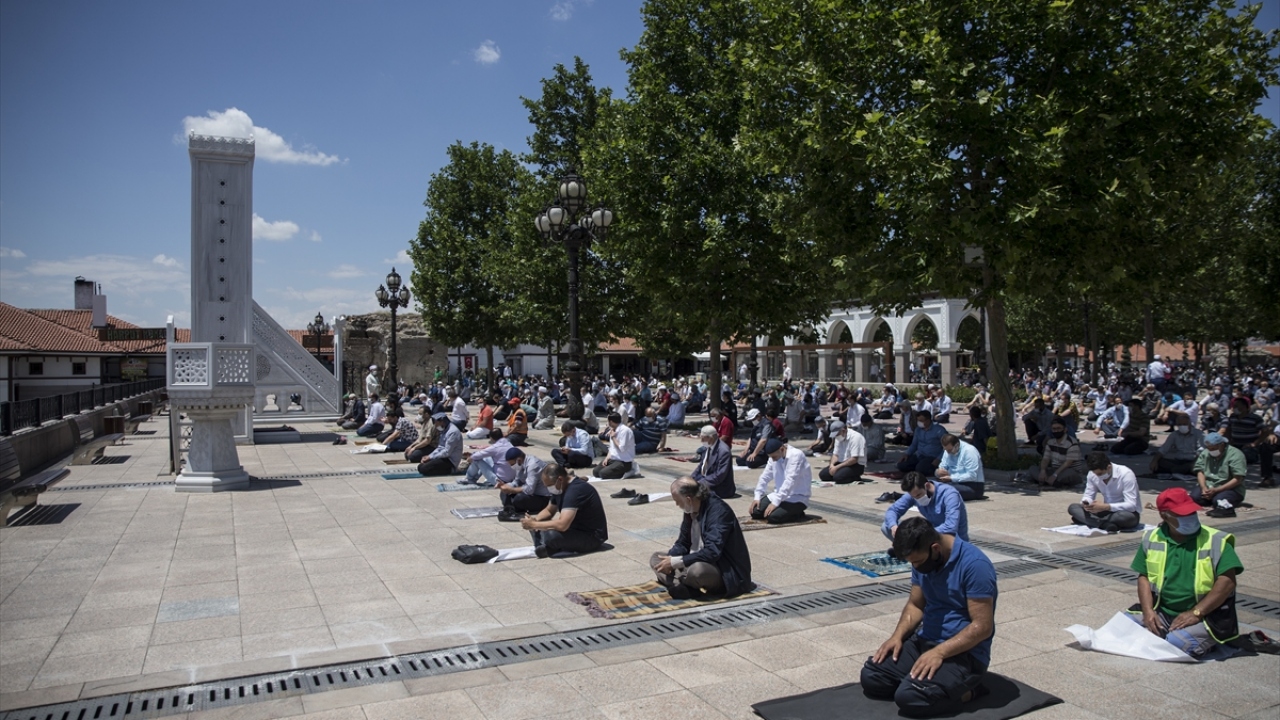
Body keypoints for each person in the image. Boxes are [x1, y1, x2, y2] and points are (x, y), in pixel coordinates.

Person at [861, 517, 997, 717]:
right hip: (925, 640)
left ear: (935, 548)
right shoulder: (925, 561)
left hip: (964, 654)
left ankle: (968, 691)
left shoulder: (975, 565)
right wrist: (897, 637)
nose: (914, 567)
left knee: (911, 698)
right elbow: (916, 605)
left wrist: (940, 653)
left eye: (916, 561)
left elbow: (983, 626)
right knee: (872, 676)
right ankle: (923, 682)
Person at [1127, 487, 1243, 657]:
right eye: (1182, 514)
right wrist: (1148, 611)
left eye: (1192, 512)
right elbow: (1143, 577)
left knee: (1175, 645)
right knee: (1122, 627)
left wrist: (1197, 613)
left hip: (1208, 615)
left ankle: (1207, 640)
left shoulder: (1216, 540)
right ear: (1164, 516)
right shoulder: (1151, 538)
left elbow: (1227, 582)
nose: (1190, 517)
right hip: (1163, 610)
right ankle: (1166, 631)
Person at [651, 477, 754, 600]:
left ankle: (681, 583)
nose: (677, 505)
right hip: (692, 559)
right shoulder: (690, 510)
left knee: (697, 571)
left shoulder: (719, 512)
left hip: (722, 569)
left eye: (677, 501)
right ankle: (687, 586)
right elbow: (683, 543)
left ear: (688, 499)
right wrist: (670, 559)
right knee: (656, 559)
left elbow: (712, 552)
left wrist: (676, 562)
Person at [521, 463, 608, 558]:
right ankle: (549, 547)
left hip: (592, 537)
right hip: (574, 530)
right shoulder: (560, 488)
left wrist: (535, 525)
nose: (548, 488)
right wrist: (535, 520)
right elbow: (549, 510)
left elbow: (562, 525)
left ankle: (549, 546)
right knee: (539, 527)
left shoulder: (575, 491)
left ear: (560, 479)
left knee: (550, 535)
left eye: (549, 485)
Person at [883, 472, 969, 544]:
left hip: (951, 539)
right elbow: (893, 510)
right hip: (930, 535)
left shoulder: (949, 495)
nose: (917, 499)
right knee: (886, 527)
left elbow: (951, 526)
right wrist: (893, 526)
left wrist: (922, 534)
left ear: (927, 486)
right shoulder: (914, 493)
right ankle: (912, 553)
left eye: (919, 495)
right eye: (914, 497)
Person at [1067, 452, 1141, 531]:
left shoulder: (1126, 474)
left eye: (1100, 473)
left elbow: (1131, 505)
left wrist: (1106, 506)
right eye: (1095, 474)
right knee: (1073, 508)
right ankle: (1104, 524)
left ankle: (1091, 521)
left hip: (1124, 512)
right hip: (1104, 512)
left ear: (1109, 467)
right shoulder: (1092, 474)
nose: (1097, 476)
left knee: (1123, 517)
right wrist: (1087, 503)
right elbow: (1088, 495)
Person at [750, 438, 812, 524]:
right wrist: (757, 497)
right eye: (771, 457)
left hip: (797, 497)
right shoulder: (773, 458)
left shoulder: (796, 455)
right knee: (755, 512)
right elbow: (765, 477)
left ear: (782, 449)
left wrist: (775, 503)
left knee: (773, 517)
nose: (773, 460)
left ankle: (798, 513)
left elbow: (790, 481)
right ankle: (783, 509)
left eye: (774, 457)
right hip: (779, 494)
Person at [1222, 397, 1275, 488]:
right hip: (1235, 444)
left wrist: (1255, 443)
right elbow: (1228, 430)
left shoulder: (1255, 418)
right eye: (1234, 406)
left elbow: (1265, 431)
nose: (1235, 408)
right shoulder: (1233, 417)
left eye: (1238, 406)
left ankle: (1237, 478)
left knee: (1242, 457)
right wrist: (1228, 441)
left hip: (1249, 446)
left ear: (1246, 407)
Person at [1192, 432, 1247, 518]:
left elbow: (1238, 478)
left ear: (1221, 445)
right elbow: (1200, 471)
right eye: (1209, 448)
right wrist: (1204, 488)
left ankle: (1227, 509)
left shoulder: (1235, 455)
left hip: (1230, 488)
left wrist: (1217, 490)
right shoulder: (1206, 453)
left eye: (1213, 448)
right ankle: (1211, 499)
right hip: (1210, 485)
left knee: (1219, 499)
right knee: (1195, 497)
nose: (1211, 451)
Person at [1026, 418, 1084, 488]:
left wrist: (1055, 475)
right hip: (1055, 469)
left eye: (1059, 428)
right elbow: (1045, 459)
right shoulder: (1050, 442)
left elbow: (1068, 463)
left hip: (1070, 471)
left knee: (1066, 475)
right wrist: (1043, 471)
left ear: (1065, 430)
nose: (1056, 431)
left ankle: (1047, 481)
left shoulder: (1072, 443)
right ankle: (1049, 480)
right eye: (1054, 429)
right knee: (1033, 469)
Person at [496, 448, 550, 521]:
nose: (511, 466)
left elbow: (529, 489)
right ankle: (510, 510)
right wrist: (506, 486)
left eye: (512, 464)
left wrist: (512, 490)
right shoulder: (520, 465)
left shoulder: (533, 465)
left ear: (519, 460)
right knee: (504, 492)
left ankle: (514, 507)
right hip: (532, 494)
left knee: (519, 498)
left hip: (543, 497)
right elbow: (516, 482)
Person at [1148, 415, 1203, 479]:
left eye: (1185, 424)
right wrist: (1154, 461)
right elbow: (1163, 449)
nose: (1182, 426)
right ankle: (1179, 471)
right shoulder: (1174, 435)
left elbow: (1201, 451)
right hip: (1178, 461)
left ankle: (1177, 471)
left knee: (1195, 467)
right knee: (1160, 462)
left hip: (1192, 461)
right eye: (1180, 424)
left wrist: (1195, 462)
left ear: (1189, 424)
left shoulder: (1199, 434)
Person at [935, 433, 985, 501]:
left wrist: (951, 478)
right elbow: (942, 466)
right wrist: (938, 472)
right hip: (953, 482)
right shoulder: (947, 450)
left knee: (945, 489)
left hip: (973, 486)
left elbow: (972, 476)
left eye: (949, 450)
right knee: (931, 485)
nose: (948, 452)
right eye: (945, 450)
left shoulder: (969, 451)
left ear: (957, 445)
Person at [691, 425, 736, 499]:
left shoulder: (723, 451)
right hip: (706, 477)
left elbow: (720, 475)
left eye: (703, 438)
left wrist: (700, 483)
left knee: (695, 494)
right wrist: (691, 478)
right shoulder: (707, 447)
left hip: (720, 486)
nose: (701, 441)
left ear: (711, 438)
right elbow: (701, 466)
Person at [898, 411, 946, 477]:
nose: (919, 422)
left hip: (932, 457)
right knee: (901, 465)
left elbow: (946, 447)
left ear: (928, 420)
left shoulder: (939, 430)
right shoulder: (918, 430)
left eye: (921, 420)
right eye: (918, 420)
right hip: (919, 455)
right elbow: (914, 444)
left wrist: (939, 459)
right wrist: (907, 454)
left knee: (921, 469)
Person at [820, 420, 867, 484]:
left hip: (855, 465)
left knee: (839, 478)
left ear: (843, 430)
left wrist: (837, 468)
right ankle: (842, 474)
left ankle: (855, 477)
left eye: (837, 434)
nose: (836, 436)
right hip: (841, 462)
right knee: (823, 475)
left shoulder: (856, 437)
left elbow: (854, 459)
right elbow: (835, 454)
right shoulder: (838, 438)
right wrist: (832, 465)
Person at [594, 413, 638, 479]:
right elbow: (612, 448)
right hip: (613, 459)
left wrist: (614, 438)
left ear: (611, 422)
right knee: (596, 472)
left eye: (608, 421)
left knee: (603, 474)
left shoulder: (625, 431)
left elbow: (622, 448)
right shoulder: (613, 430)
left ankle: (628, 472)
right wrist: (606, 458)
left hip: (624, 461)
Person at [417, 412, 463, 477]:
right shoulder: (444, 430)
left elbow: (447, 452)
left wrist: (431, 457)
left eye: (436, 423)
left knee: (424, 469)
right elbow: (440, 447)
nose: (435, 425)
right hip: (443, 457)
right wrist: (429, 456)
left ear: (442, 421)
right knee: (420, 466)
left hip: (450, 460)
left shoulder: (453, 432)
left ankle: (451, 470)